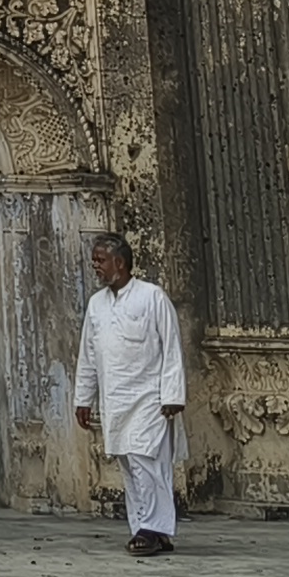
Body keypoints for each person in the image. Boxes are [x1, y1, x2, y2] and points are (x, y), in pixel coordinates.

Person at [70, 231, 187, 557]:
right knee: (129, 463)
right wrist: (84, 398)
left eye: (100, 260)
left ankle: (149, 528)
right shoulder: (97, 305)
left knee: (145, 461)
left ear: (119, 263)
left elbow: (171, 346)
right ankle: (151, 529)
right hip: (115, 399)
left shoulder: (152, 297)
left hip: (150, 396)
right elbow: (89, 355)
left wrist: (172, 394)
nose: (95, 266)